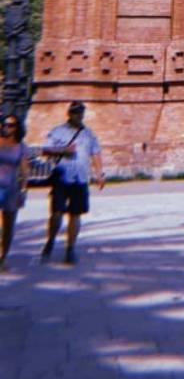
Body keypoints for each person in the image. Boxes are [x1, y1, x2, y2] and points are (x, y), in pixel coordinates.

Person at [40, 100, 105, 264]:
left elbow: (95, 153)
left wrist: (99, 173)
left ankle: (70, 248)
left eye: (81, 112)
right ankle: (51, 239)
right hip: (62, 176)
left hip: (80, 178)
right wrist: (63, 150)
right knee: (56, 213)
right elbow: (46, 150)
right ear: (69, 113)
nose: (78, 115)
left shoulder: (88, 133)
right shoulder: (58, 131)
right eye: (75, 112)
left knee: (75, 214)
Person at [0, 113, 30, 267]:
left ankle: (3, 257)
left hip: (12, 188)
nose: (6, 127)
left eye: (10, 125)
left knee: (9, 226)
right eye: (4, 124)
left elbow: (24, 171)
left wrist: (23, 190)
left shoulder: (21, 147)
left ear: (17, 128)